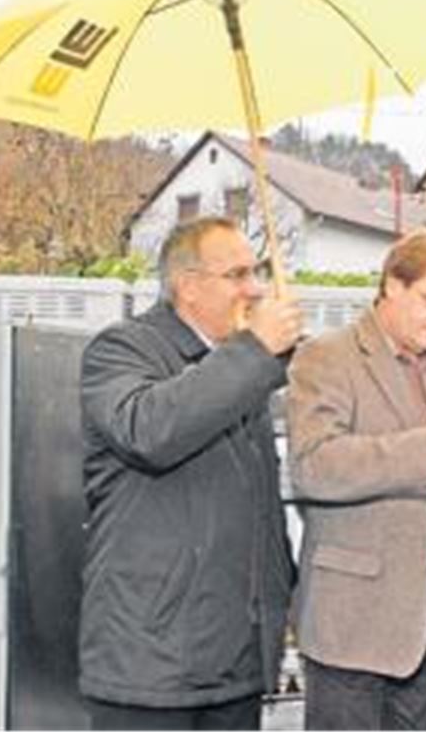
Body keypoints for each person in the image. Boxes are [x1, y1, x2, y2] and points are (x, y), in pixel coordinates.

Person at [78, 216, 303, 729]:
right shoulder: (121, 349)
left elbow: (259, 507)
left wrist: (279, 597)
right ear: (188, 285)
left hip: (233, 662)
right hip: (151, 667)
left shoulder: (239, 369)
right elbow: (149, 432)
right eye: (238, 275)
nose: (255, 289)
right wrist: (254, 352)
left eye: (257, 273)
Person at [287, 231, 426, 730]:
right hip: (352, 623)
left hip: (421, 615)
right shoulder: (327, 357)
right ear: (391, 284)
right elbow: (315, 467)